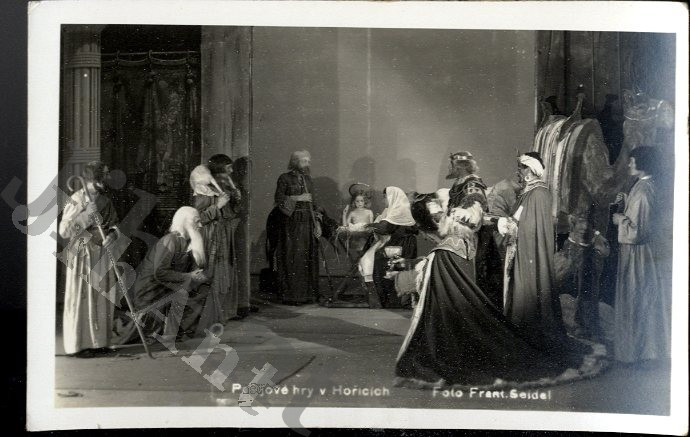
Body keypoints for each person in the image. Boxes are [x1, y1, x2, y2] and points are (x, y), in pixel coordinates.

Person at [392, 189, 605, 389]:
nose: (440, 215)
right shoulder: (448, 246)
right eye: (435, 215)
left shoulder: (445, 250)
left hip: (456, 276)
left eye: (440, 212)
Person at [117, 206, 210, 345]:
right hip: (151, 293)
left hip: (166, 288)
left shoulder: (187, 241)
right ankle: (167, 334)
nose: (200, 225)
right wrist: (189, 276)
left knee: (202, 289)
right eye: (197, 221)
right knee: (184, 293)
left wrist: (195, 275)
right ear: (186, 222)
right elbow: (160, 273)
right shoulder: (170, 240)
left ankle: (175, 330)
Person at [500, 152, 567, 343]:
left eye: (521, 168)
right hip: (522, 247)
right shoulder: (530, 192)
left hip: (528, 249)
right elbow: (519, 219)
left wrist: (507, 226)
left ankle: (527, 331)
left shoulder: (537, 193)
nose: (519, 172)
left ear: (530, 169)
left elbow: (527, 227)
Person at [611, 146, 669, 366]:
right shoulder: (644, 185)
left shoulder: (643, 191)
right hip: (642, 253)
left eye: (632, 161)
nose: (629, 164)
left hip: (637, 254)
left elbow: (637, 233)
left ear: (643, 163)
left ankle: (639, 353)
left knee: (637, 297)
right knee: (643, 298)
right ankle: (643, 351)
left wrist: (619, 219)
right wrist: (627, 201)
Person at [58, 161, 120, 358]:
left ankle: (99, 342)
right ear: (96, 178)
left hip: (100, 253)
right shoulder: (77, 199)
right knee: (82, 297)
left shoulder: (105, 201)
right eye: (105, 174)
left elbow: (114, 225)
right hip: (82, 254)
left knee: (101, 296)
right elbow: (64, 231)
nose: (108, 178)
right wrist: (85, 215)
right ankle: (79, 344)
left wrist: (112, 236)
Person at [192, 155, 243, 329]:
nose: (231, 171)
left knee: (225, 272)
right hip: (211, 237)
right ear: (220, 169)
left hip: (224, 234)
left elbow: (231, 213)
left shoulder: (224, 187)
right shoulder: (203, 190)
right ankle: (209, 315)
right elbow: (198, 218)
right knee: (214, 272)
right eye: (228, 168)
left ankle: (222, 312)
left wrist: (236, 200)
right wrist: (218, 206)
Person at [446, 151, 503, 308]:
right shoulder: (458, 183)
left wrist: (459, 217)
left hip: (474, 235)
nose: (450, 168)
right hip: (459, 234)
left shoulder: (472, 183)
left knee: (478, 273)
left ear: (460, 166)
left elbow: (475, 213)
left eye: (452, 165)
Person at [273, 150, 322, 305]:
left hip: (308, 223)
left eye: (309, 161)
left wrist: (317, 223)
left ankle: (309, 295)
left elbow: (314, 204)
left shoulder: (308, 179)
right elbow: (279, 199)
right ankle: (293, 296)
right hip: (292, 225)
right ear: (295, 162)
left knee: (308, 258)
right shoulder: (284, 178)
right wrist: (298, 198)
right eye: (304, 161)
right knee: (294, 258)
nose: (307, 164)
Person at [360, 186, 417, 308]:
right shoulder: (394, 209)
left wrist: (370, 225)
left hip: (402, 245)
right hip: (400, 244)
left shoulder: (398, 210)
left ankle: (392, 300)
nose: (383, 200)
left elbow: (385, 227)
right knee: (381, 263)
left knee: (384, 264)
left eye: (385, 197)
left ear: (392, 197)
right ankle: (390, 300)